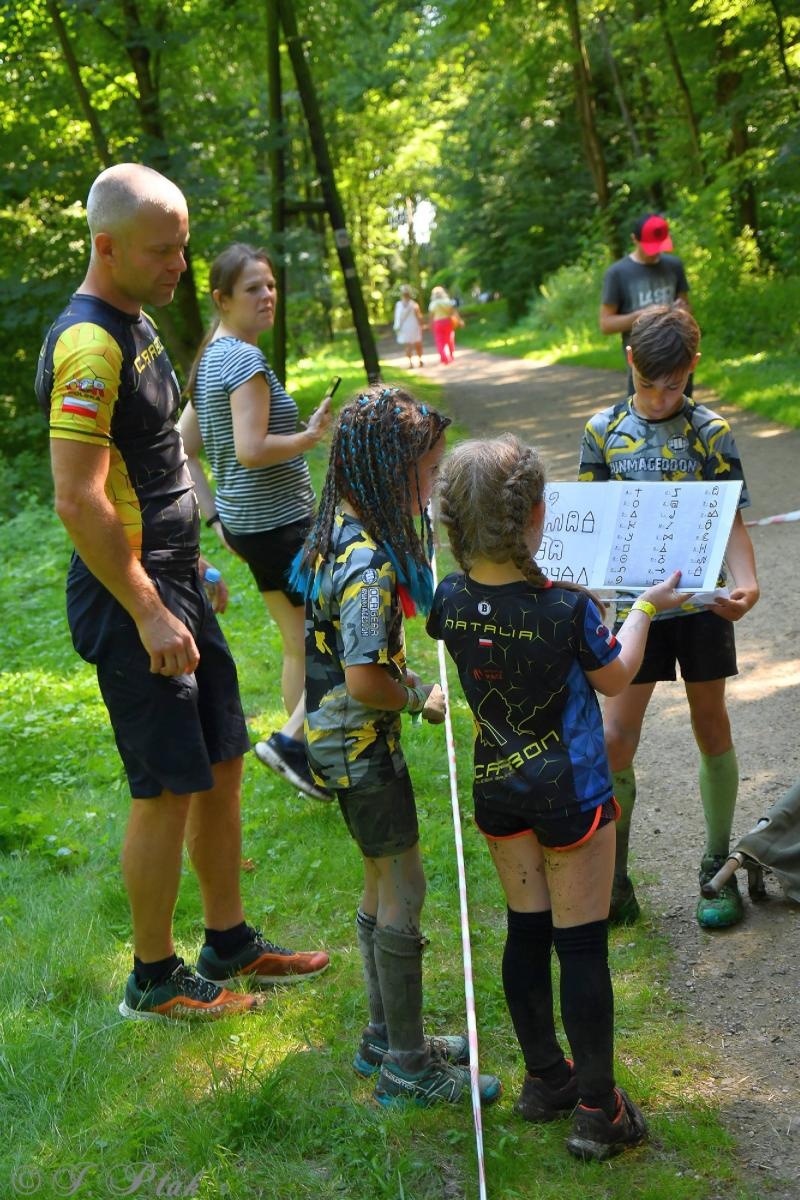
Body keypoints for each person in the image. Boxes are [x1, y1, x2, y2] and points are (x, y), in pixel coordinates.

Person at [35, 164, 329, 1023]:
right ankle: (153, 977)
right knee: (164, 787)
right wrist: (148, 607)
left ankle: (228, 942)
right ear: (107, 247)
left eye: (183, 247)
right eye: (162, 251)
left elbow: (158, 459)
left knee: (222, 760)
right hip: (132, 597)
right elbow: (77, 499)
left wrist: (192, 565)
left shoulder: (140, 320)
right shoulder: (88, 345)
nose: (179, 266)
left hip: (176, 577)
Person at [428, 433, 687, 1160]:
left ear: (453, 522)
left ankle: (546, 1080)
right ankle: (600, 1109)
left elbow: (499, 625)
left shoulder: (449, 597)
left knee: (526, 931)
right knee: (580, 945)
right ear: (537, 514)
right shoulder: (568, 609)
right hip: (571, 796)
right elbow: (616, 675)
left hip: (497, 789)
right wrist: (643, 608)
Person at [290, 384, 500, 1107]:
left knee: (381, 882)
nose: (435, 485)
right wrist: (417, 697)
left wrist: (402, 682)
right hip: (360, 749)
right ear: (390, 470)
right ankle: (408, 1067)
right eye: (430, 471)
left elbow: (352, 659)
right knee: (406, 886)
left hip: (337, 742)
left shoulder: (338, 529)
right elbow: (364, 678)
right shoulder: (368, 566)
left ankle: (384, 1035)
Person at [579, 305, 760, 929]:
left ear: (693, 368)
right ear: (629, 360)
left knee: (711, 724)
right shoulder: (602, 430)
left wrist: (748, 583)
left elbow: (732, 518)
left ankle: (717, 868)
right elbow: (590, 526)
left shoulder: (712, 432)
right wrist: (588, 599)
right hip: (638, 610)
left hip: (703, 606)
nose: (659, 399)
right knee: (614, 737)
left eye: (674, 385)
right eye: (648, 384)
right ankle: (613, 880)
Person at [179, 243, 332, 802]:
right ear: (222, 299)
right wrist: (308, 438)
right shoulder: (243, 361)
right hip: (283, 525)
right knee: (335, 637)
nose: (267, 296)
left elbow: (181, 446)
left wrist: (216, 517)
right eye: (253, 289)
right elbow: (250, 449)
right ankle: (292, 744)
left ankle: (310, 761)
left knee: (297, 644)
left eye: (270, 285)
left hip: (250, 527)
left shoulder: (211, 358)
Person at [599, 214, 693, 398]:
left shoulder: (674, 266)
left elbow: (687, 308)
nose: (655, 251)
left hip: (677, 354)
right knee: (644, 411)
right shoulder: (617, 273)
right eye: (650, 246)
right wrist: (641, 315)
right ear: (634, 239)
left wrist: (682, 311)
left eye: (659, 245)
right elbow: (606, 324)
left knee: (683, 408)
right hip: (644, 361)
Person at [428, 285, 462, 365]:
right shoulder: (447, 301)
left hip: (438, 323)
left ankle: (444, 358)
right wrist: (459, 321)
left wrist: (430, 325)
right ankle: (451, 355)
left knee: (440, 341)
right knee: (450, 338)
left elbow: (431, 316)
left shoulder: (432, 304)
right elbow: (453, 312)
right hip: (447, 321)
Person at [392, 284, 424, 369]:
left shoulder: (398, 304)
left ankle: (410, 363)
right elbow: (419, 316)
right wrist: (421, 325)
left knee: (408, 345)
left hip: (404, 327)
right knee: (417, 344)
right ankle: (420, 360)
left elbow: (396, 317)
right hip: (414, 325)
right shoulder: (414, 304)